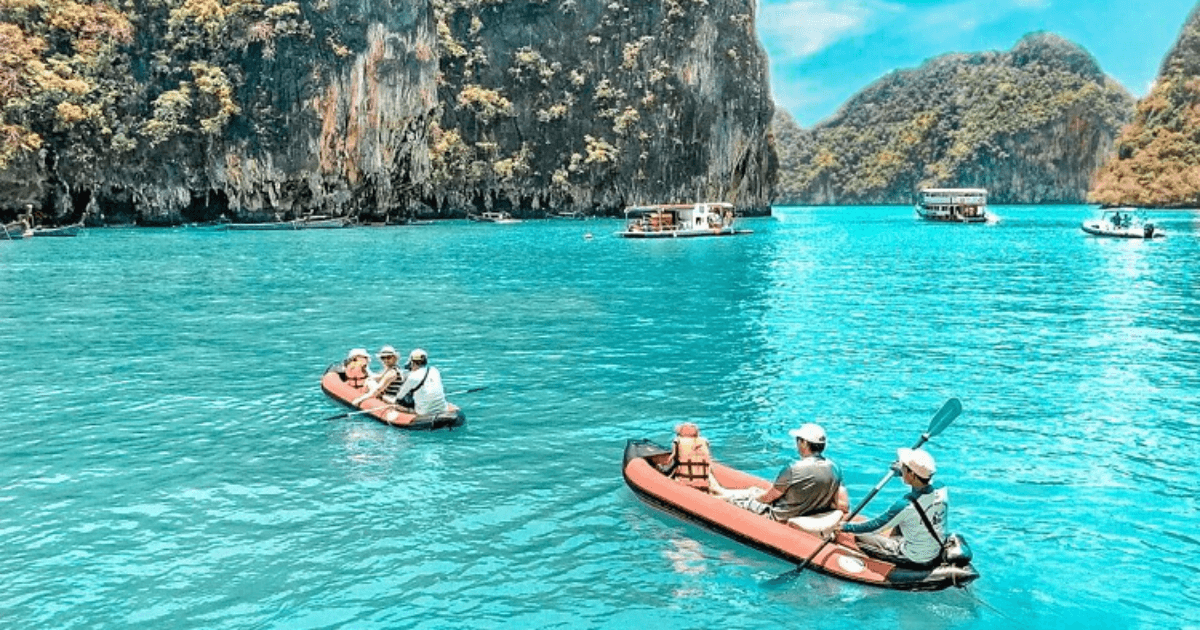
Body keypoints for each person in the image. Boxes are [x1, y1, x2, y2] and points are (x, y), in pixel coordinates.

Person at [837, 447, 947, 567]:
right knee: (904, 520)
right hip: (935, 549)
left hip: (914, 556)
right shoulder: (941, 489)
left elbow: (875, 526)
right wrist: (902, 473)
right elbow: (922, 486)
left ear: (912, 474)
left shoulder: (906, 505)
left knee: (861, 536)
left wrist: (847, 527)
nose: (901, 467)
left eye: (903, 467)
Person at [726, 423, 848, 521]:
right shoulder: (835, 468)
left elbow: (768, 498)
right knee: (752, 491)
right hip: (809, 515)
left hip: (780, 516)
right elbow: (843, 505)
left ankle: (719, 494)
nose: (797, 444)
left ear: (804, 443)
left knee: (735, 500)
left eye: (798, 440)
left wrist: (753, 500)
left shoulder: (793, 468)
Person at [664, 423, 723, 493]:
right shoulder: (704, 442)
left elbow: (673, 459)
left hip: (685, 482)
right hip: (704, 483)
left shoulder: (678, 441)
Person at [391, 348, 447, 415]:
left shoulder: (412, 377)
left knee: (400, 402)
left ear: (412, 362)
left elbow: (399, 396)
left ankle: (409, 411)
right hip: (443, 409)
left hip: (424, 412)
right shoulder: (435, 370)